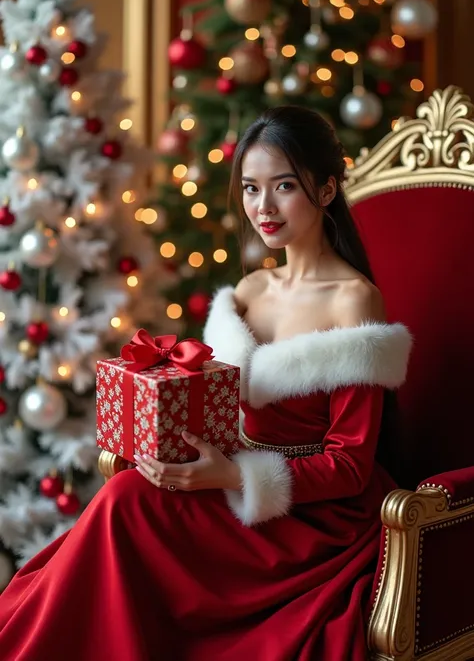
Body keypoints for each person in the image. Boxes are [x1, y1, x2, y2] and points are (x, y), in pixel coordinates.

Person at [0, 106, 412, 661]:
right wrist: (165, 437)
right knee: (127, 493)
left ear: (326, 188)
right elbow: (216, 411)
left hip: (313, 517)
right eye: (250, 188)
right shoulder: (250, 289)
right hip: (231, 485)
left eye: (284, 186)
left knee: (124, 504)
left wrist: (235, 475)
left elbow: (350, 464)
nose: (262, 208)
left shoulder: (353, 299)